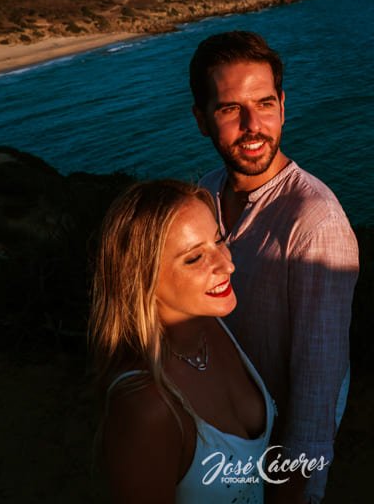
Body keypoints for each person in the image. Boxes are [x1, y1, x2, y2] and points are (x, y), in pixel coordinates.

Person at [190, 31, 359, 503]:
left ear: (283, 105)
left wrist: (292, 491)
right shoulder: (204, 192)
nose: (252, 125)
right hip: (222, 428)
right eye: (228, 109)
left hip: (275, 444)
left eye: (264, 103)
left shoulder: (315, 222)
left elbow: (315, 392)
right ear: (201, 119)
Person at [89, 179, 275, 503]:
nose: (227, 264)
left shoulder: (212, 325)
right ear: (141, 279)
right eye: (194, 258)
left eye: (218, 241)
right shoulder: (148, 407)